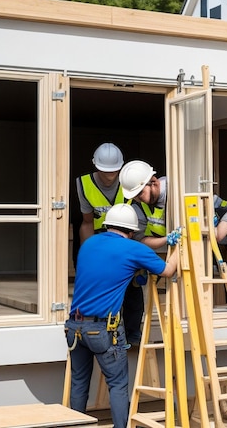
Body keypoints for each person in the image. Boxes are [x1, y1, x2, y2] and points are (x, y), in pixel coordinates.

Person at [65, 203, 178, 428]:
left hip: (74, 327)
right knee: (117, 384)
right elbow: (167, 271)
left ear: (107, 225)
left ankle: (74, 425)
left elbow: (105, 272)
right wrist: (180, 246)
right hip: (103, 330)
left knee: (78, 383)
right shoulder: (134, 249)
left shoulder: (89, 244)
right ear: (132, 231)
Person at [118, 160, 174, 346]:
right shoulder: (138, 206)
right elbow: (141, 240)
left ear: (154, 182)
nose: (139, 199)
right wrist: (166, 240)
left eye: (140, 193)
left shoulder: (177, 189)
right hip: (166, 250)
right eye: (135, 196)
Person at [75, 142, 125, 248]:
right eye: (106, 171)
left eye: (113, 170)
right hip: (99, 240)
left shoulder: (128, 181)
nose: (110, 174)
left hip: (125, 242)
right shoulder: (85, 184)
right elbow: (87, 222)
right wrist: (88, 253)